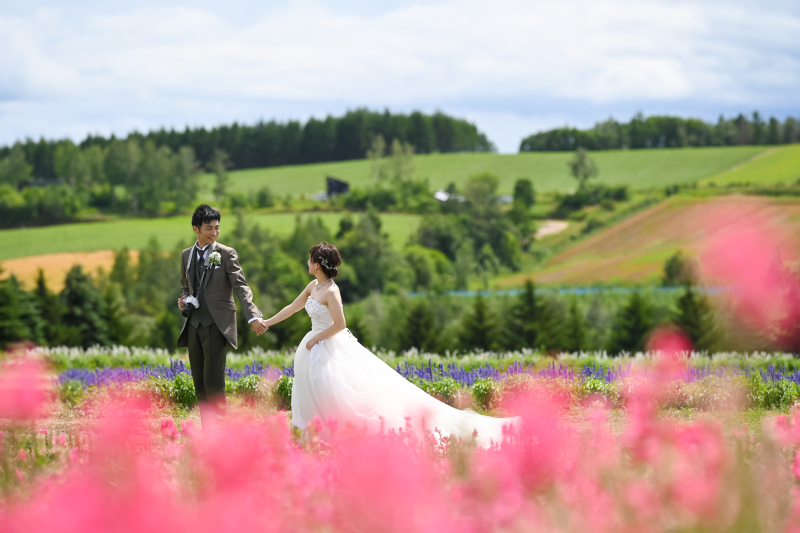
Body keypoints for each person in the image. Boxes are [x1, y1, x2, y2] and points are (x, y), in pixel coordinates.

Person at [261, 241, 517, 448]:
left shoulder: (331, 292)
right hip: (312, 346)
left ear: (317, 264)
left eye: (310, 259)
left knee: (337, 392)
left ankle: (343, 437)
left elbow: (340, 324)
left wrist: (317, 338)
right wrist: (267, 322)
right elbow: (292, 307)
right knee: (312, 388)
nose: (307, 262)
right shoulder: (313, 286)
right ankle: (313, 436)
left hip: (327, 344)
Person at [177, 204, 267, 425]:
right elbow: (185, 286)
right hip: (193, 326)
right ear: (195, 229)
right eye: (209, 228)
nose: (214, 232)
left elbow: (241, 286)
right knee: (199, 384)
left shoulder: (226, 254)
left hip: (217, 325)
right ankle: (209, 435)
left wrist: (253, 315)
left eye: (217, 227)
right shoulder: (186, 255)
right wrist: (184, 299)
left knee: (214, 383)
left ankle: (223, 437)